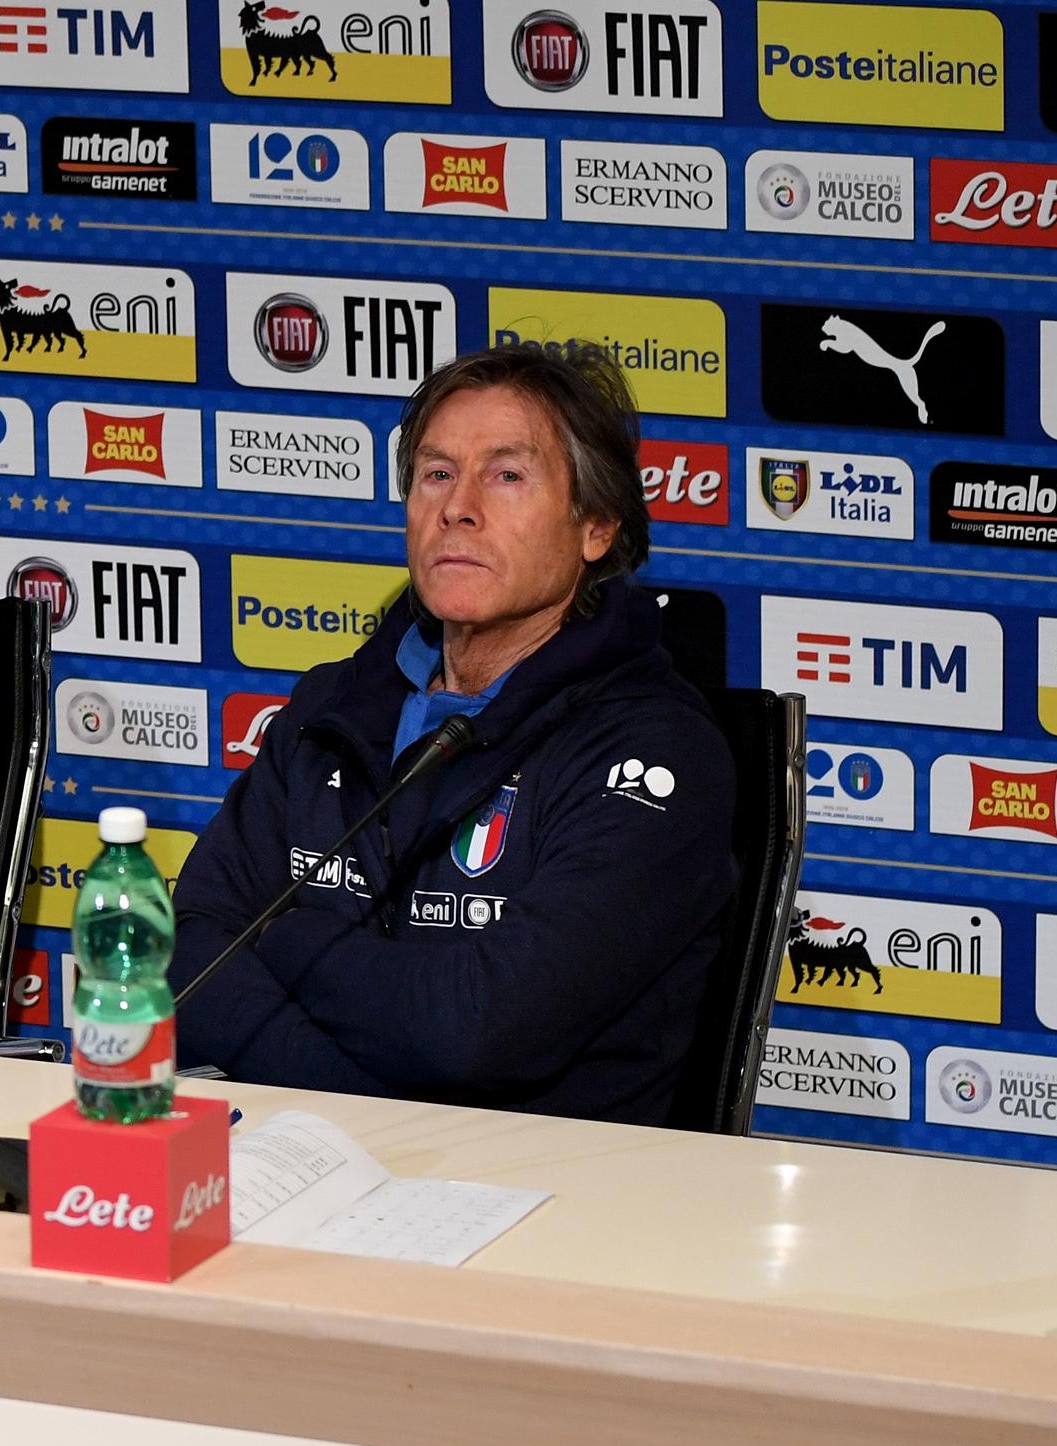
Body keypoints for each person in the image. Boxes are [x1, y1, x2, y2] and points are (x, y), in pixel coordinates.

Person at [170, 343, 734, 1123]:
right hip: (305, 1160)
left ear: (597, 526)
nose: (458, 507)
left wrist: (283, 937)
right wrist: (361, 1122)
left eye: (507, 476)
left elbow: (479, 1030)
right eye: (436, 473)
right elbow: (186, 951)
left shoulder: (656, 751)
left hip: (552, 1201)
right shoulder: (335, 701)